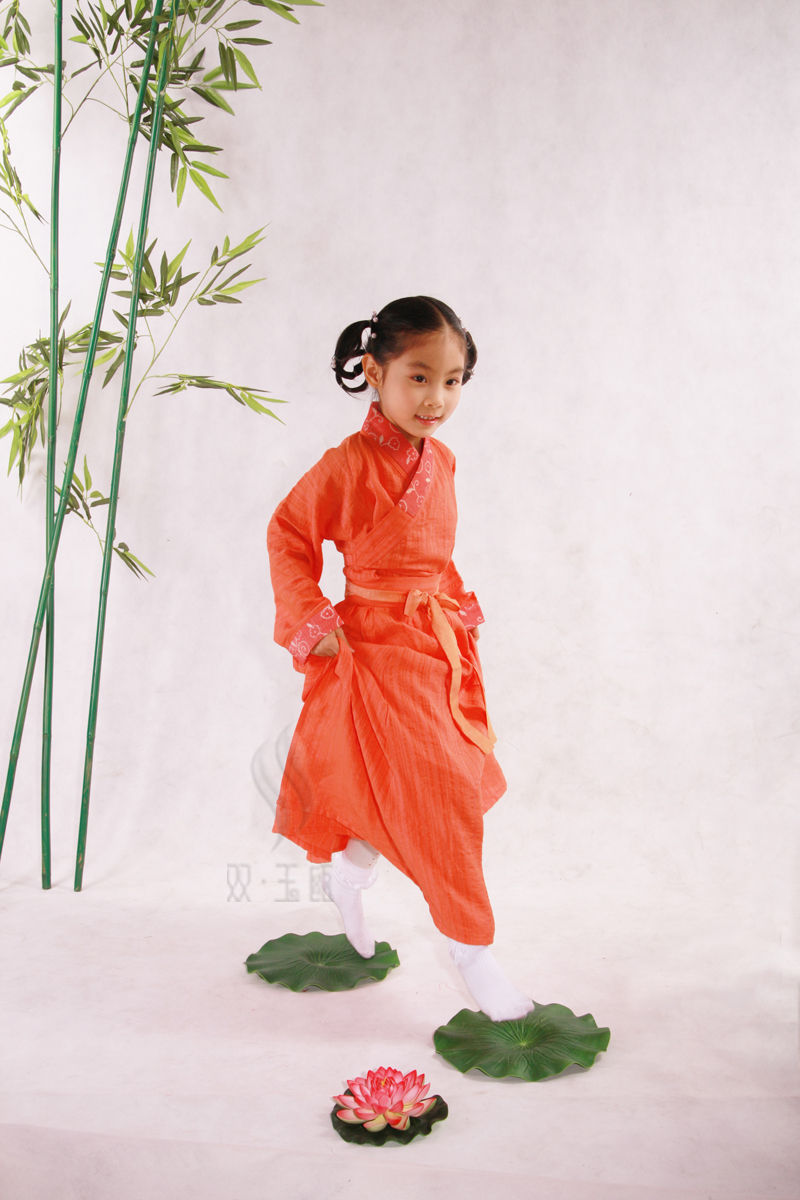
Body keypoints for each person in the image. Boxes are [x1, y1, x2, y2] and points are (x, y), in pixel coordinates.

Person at [267, 296, 531, 1022]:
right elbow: (288, 533)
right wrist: (312, 617)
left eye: (452, 381)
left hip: (434, 647)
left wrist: (460, 615)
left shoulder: (442, 462)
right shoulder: (345, 465)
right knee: (440, 794)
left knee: (419, 785)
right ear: (374, 371)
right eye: (419, 377)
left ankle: (350, 875)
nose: (435, 398)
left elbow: (433, 559)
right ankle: (473, 953)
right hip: (372, 652)